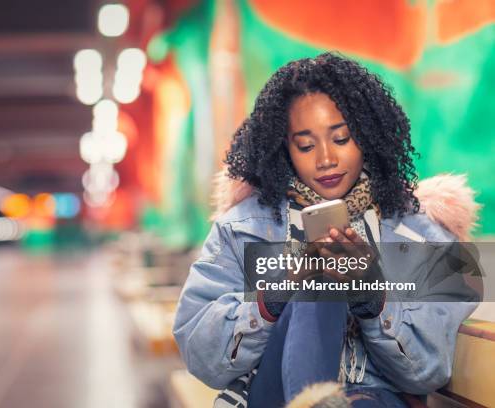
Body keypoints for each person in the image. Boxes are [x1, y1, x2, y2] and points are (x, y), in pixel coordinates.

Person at [173, 52, 481, 407]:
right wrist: (275, 297)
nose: (325, 159)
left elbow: (427, 370)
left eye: (341, 138)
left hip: (373, 399)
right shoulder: (242, 227)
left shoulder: (422, 232)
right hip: (271, 395)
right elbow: (199, 351)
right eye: (305, 145)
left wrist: (370, 296)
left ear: (366, 136)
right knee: (321, 272)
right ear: (285, 149)